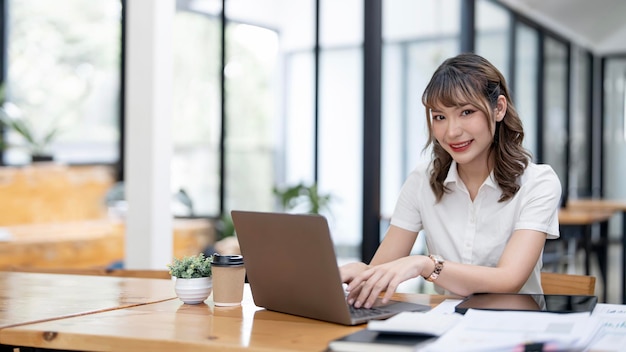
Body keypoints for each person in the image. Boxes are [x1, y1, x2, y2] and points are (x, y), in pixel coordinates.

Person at [341, 53, 561, 309]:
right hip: (446, 326)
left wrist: (425, 264)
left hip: (517, 328)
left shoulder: (538, 182)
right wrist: (360, 272)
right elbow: (381, 270)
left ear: (498, 108)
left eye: (466, 112)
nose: (451, 132)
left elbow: (508, 279)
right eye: (439, 117)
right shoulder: (422, 180)